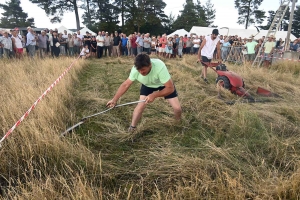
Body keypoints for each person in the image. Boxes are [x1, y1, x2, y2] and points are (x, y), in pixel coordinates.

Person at [106, 54, 182, 132]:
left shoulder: (159, 67)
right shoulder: (135, 70)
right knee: (140, 106)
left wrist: (154, 95)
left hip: (163, 85)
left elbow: (170, 88)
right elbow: (125, 85)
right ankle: (132, 127)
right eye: (139, 70)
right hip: (147, 85)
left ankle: (177, 123)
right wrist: (114, 100)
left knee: (177, 108)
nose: (141, 72)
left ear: (150, 65)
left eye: (143, 69)